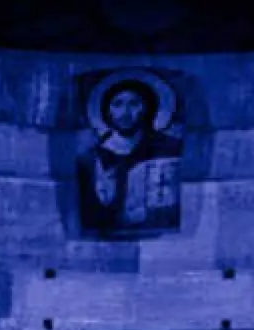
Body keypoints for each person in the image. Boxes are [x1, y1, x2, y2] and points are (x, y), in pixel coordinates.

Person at [77, 78, 182, 236]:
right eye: (117, 104)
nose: (125, 112)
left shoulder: (169, 148)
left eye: (134, 104)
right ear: (107, 110)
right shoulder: (91, 158)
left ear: (146, 108)